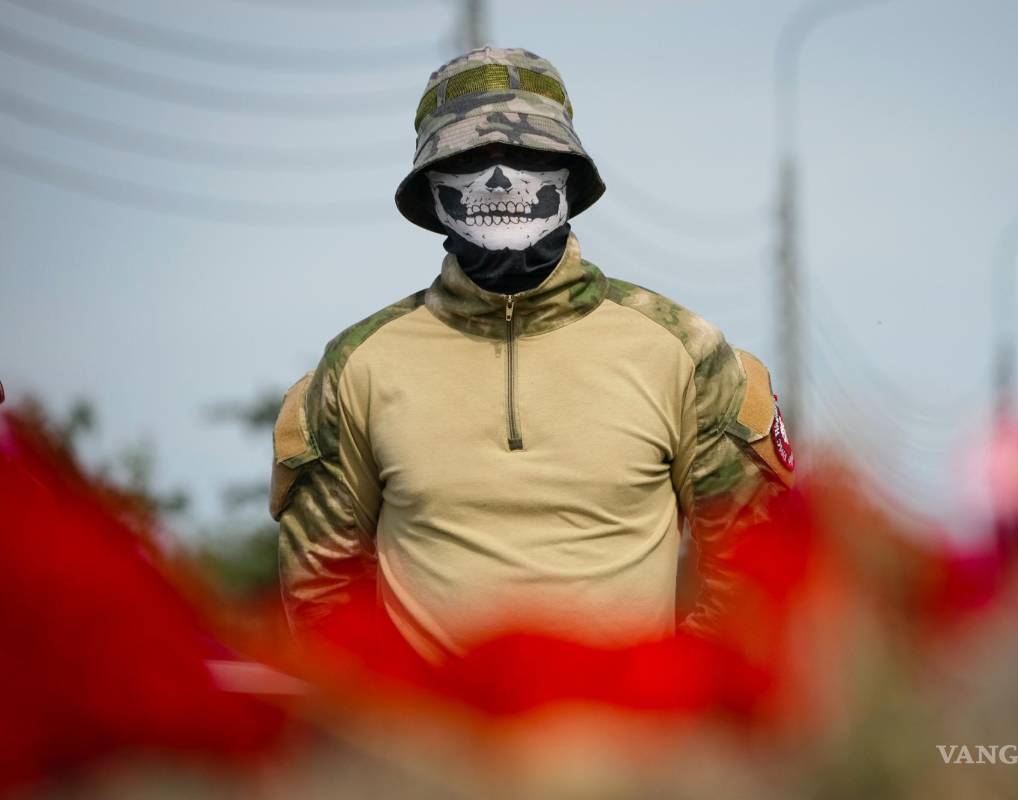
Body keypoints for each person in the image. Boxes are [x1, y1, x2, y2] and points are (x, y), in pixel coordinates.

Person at [271, 47, 795, 662]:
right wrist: (398, 730)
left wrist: (672, 720)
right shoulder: (358, 366)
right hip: (429, 743)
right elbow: (321, 589)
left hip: (631, 745)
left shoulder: (684, 350)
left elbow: (752, 571)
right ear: (431, 188)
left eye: (525, 156)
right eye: (470, 158)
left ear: (569, 177)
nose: (499, 177)